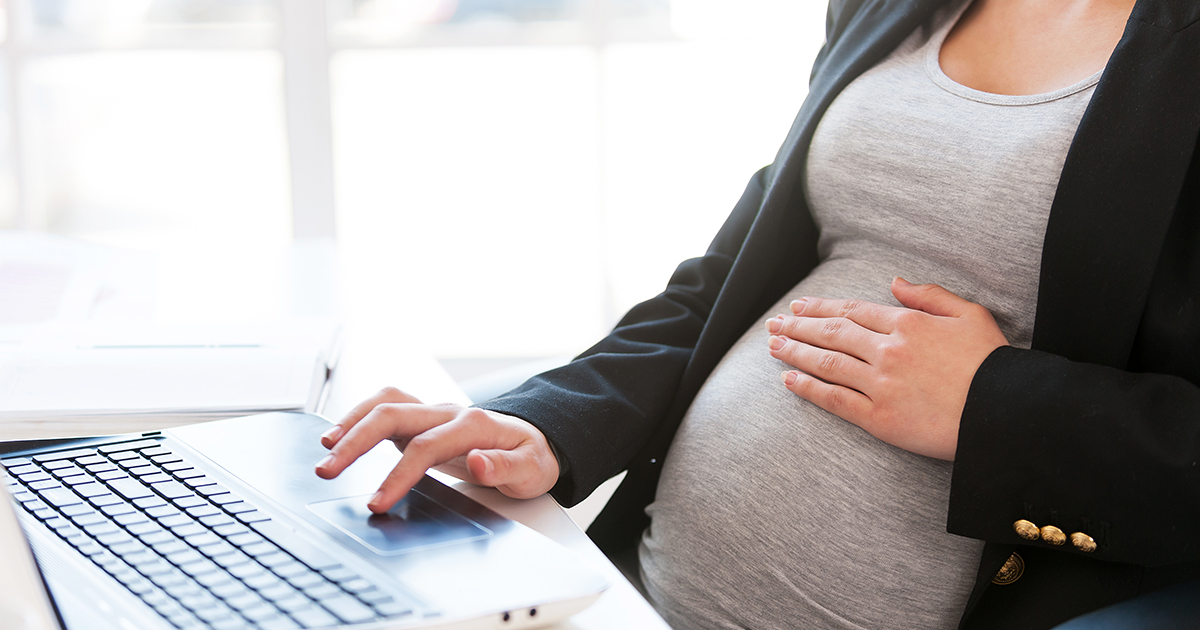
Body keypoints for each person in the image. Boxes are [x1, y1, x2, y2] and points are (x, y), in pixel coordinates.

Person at [314, 0, 1200, 627]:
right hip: (634, 594)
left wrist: (994, 409)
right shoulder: (897, 6)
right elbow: (730, 282)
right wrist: (546, 420)